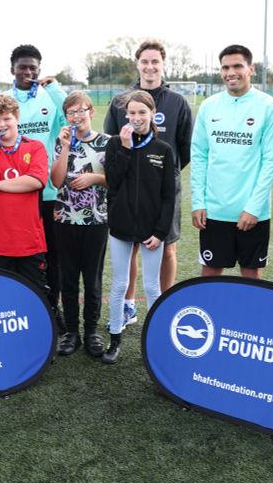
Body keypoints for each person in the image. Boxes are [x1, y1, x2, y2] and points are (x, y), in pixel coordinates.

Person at [103, 39, 193, 320]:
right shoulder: (120, 101)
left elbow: (185, 148)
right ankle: (128, 306)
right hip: (126, 188)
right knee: (129, 248)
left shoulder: (178, 101)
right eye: (145, 61)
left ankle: (162, 309)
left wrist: (162, 173)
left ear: (163, 64)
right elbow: (111, 141)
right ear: (137, 64)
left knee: (166, 247)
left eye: (155, 61)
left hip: (163, 188)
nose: (150, 66)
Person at [0, 45, 67, 329]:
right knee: (16, 261)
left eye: (33, 67)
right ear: (12, 70)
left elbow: (71, 118)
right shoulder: (4, 102)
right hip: (13, 197)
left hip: (48, 193)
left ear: (39, 70)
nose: (28, 72)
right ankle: (14, 318)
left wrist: (55, 90)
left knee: (50, 258)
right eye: (22, 67)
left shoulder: (50, 97)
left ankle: (52, 315)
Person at [191, 45, 273, 278]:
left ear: (250, 69)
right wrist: (198, 202)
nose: (230, 72)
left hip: (252, 213)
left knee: (251, 276)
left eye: (237, 66)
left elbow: (271, 161)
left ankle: (249, 317)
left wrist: (253, 208)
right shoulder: (209, 106)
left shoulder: (269, 107)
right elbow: (199, 156)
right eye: (225, 67)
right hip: (214, 210)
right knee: (210, 275)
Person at [103, 91, 176, 364]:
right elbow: (113, 180)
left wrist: (160, 232)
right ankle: (115, 338)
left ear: (152, 114)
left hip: (151, 232)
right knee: (120, 284)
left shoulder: (163, 150)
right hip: (121, 227)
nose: (136, 118)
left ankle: (159, 340)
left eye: (142, 113)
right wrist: (124, 147)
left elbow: (169, 196)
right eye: (131, 113)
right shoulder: (115, 144)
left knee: (152, 286)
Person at [0, 93, 49, 295]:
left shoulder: (35, 147)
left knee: (36, 294)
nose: (2, 124)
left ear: (17, 118)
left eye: (7, 118)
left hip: (29, 240)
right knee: (2, 297)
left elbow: (35, 181)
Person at [50, 91, 109, 357]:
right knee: (69, 277)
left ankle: (91, 332)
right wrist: (64, 147)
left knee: (92, 278)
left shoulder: (107, 143)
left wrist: (94, 178)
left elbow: (116, 179)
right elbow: (56, 180)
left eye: (80, 111)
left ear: (91, 112)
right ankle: (72, 332)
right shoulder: (60, 142)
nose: (75, 117)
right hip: (65, 218)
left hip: (96, 219)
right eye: (70, 113)